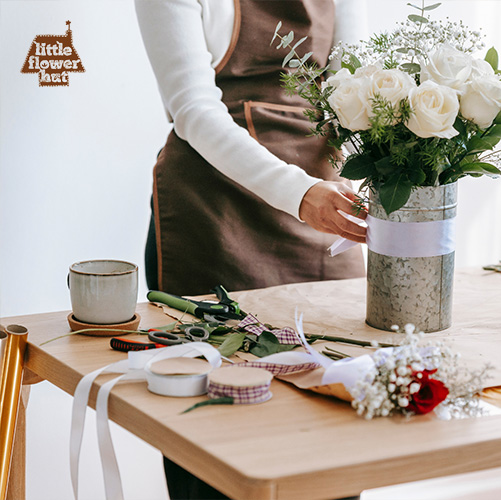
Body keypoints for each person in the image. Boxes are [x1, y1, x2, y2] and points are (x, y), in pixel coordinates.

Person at [135, 0, 367, 497]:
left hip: (325, 214)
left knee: (337, 436)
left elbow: (355, 88)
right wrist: (299, 194)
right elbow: (192, 109)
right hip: (213, 217)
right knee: (218, 443)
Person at [136, 0, 368, 297]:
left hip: (324, 205)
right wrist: (299, 193)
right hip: (214, 211)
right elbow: (193, 108)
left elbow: (353, 94)